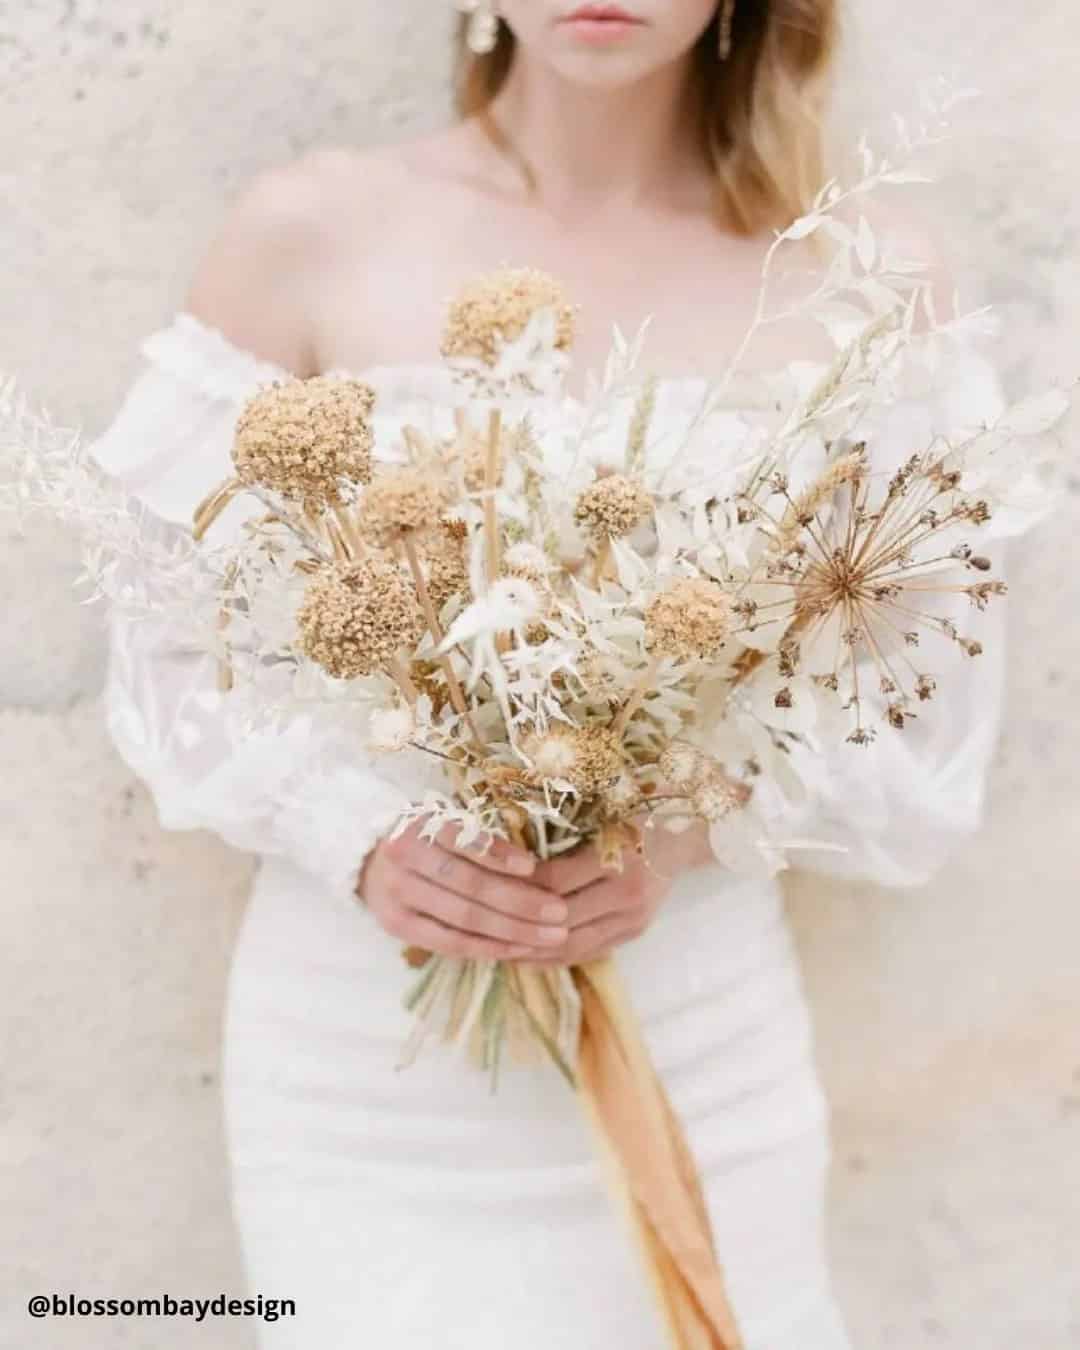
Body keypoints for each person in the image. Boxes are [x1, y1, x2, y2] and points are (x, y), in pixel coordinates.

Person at [86, 3, 1009, 1346]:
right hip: (367, 1063)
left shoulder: (866, 274)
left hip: (697, 1033)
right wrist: (361, 836)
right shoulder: (309, 231)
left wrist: (680, 829)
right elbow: (160, 637)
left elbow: (924, 692)